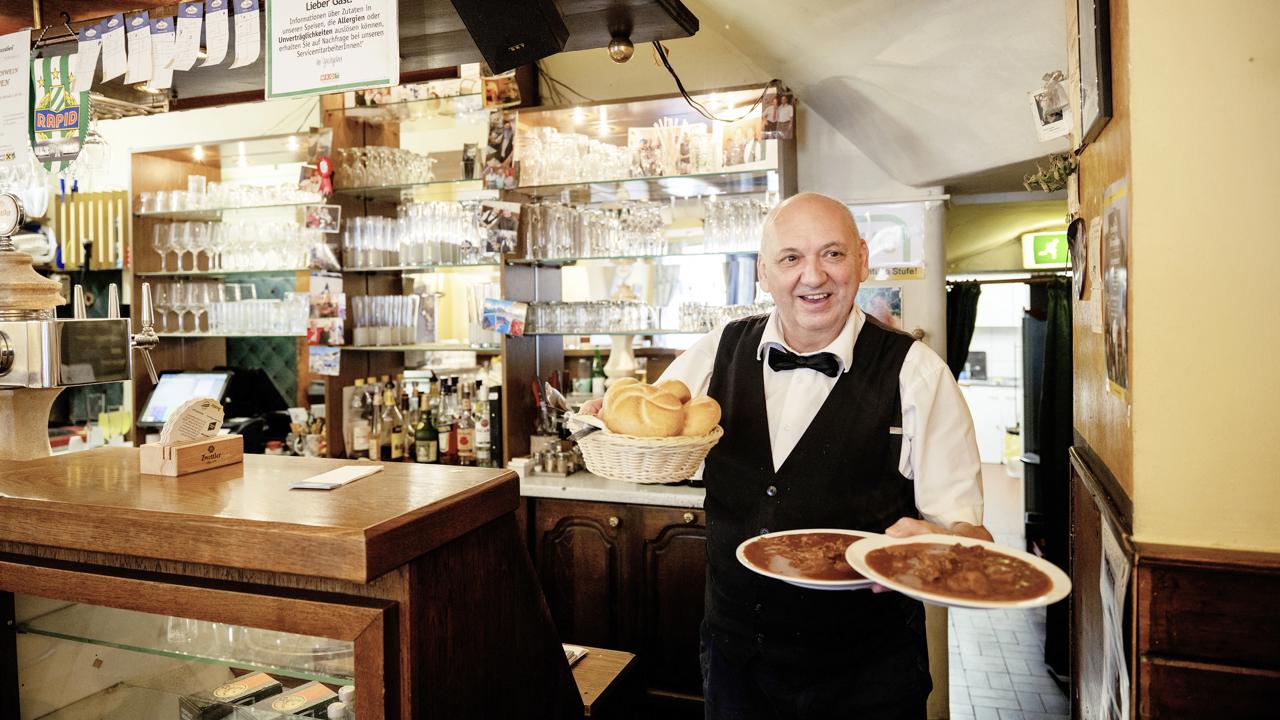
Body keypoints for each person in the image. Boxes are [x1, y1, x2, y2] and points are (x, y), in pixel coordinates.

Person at [587, 193, 989, 718]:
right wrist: (601, 418)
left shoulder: (919, 373)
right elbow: (651, 426)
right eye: (791, 258)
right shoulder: (718, 350)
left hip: (866, 678)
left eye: (834, 254)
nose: (813, 276)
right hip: (735, 665)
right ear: (763, 273)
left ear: (863, 260)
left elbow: (973, 541)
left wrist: (937, 543)